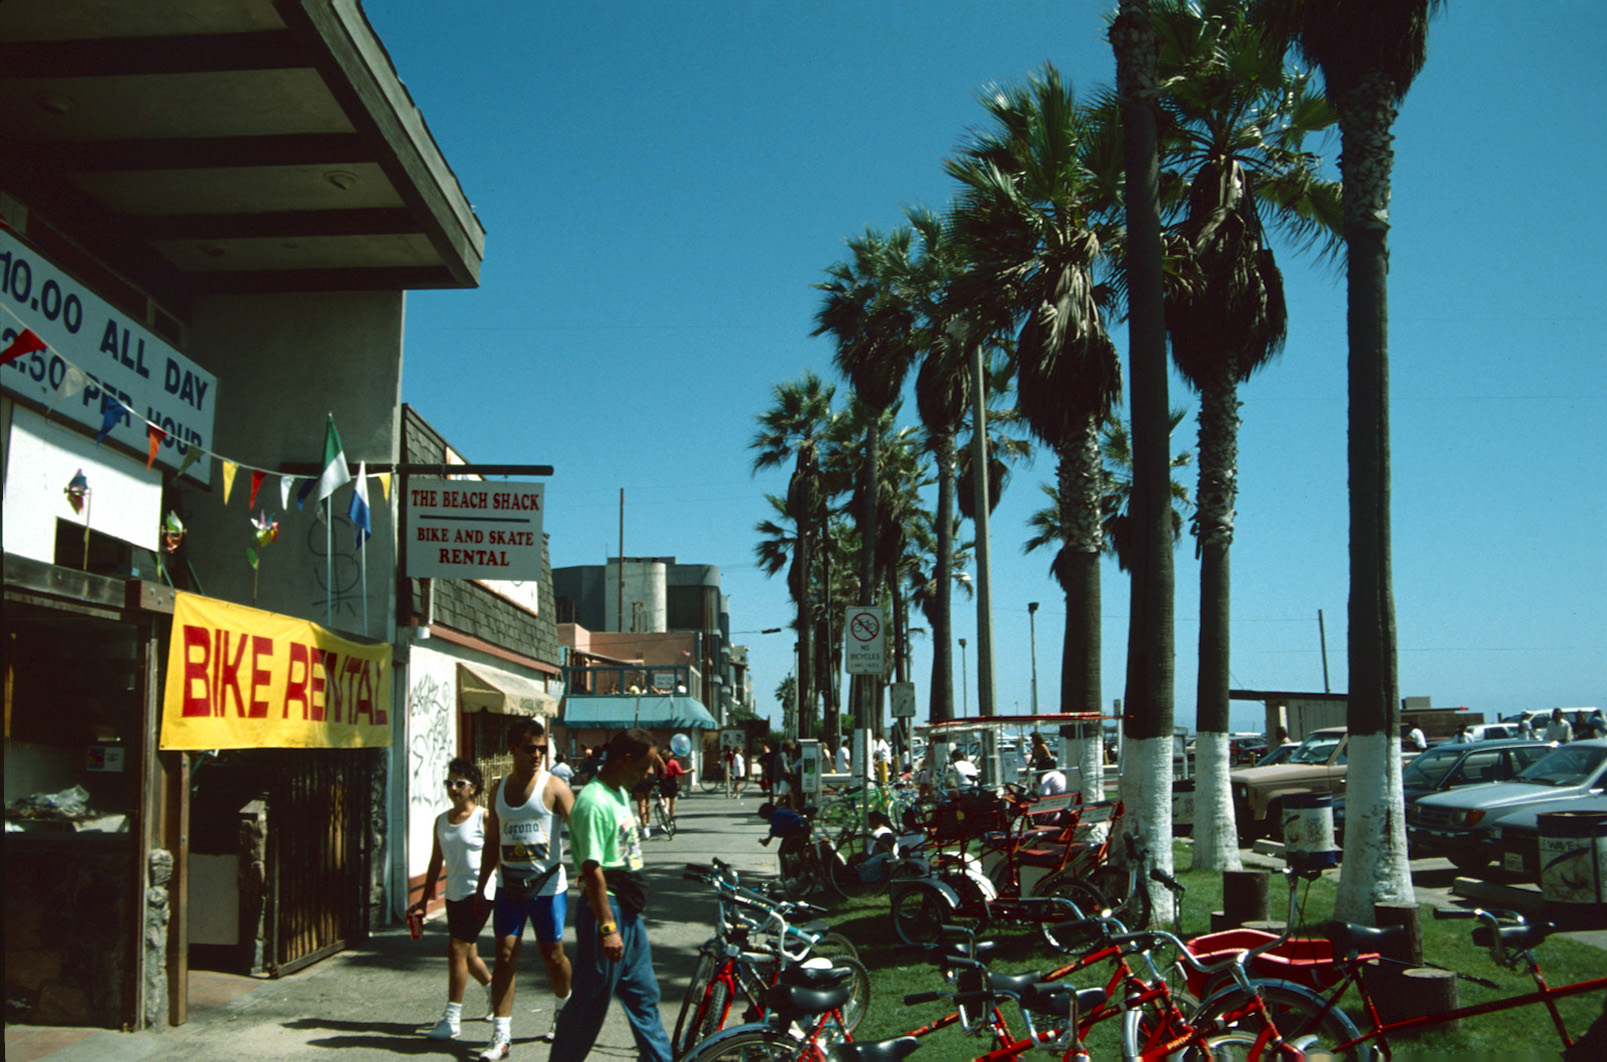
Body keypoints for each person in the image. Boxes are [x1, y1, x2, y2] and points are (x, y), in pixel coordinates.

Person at [548, 728, 674, 1062]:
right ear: (626, 759)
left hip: (629, 913)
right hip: (608, 913)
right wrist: (608, 927)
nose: (650, 772)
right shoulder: (593, 801)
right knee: (589, 1004)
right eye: (646, 765)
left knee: (644, 995)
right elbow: (591, 869)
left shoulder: (619, 791)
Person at [475, 717, 575, 1061]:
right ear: (513, 749)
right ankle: (501, 1035)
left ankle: (564, 1009)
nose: (537, 755)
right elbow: (492, 842)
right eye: (530, 748)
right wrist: (480, 886)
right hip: (509, 886)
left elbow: (581, 833)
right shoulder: (498, 789)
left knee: (553, 955)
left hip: (547, 886)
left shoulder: (555, 788)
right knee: (503, 956)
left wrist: (592, 875)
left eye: (541, 749)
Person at [410, 757, 494, 1041]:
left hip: (480, 893)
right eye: (450, 783)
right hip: (455, 893)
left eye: (460, 783)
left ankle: (451, 1020)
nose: (454, 788)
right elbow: (436, 861)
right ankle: (495, 994)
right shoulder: (441, 821)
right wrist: (423, 900)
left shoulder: (483, 817)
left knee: (456, 948)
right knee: (468, 955)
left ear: (474, 788)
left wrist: (492, 887)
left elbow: (497, 856)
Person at [660, 750, 685, 819]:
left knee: (666, 797)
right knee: (672, 801)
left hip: (663, 781)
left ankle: (666, 808)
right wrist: (690, 770)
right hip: (672, 781)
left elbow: (658, 774)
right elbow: (680, 772)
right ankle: (671, 817)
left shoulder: (661, 764)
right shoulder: (673, 763)